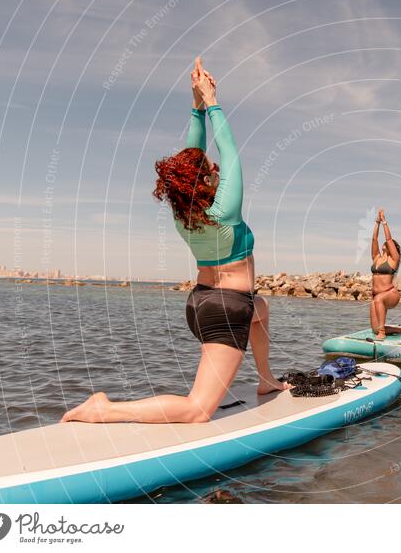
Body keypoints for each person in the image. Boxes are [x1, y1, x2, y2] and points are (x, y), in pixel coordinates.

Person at [62, 58, 288, 424]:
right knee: (197, 410)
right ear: (204, 181)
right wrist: (212, 100)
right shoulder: (223, 213)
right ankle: (104, 409)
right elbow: (229, 151)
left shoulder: (184, 214)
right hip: (227, 309)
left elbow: (191, 157)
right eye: (210, 171)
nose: (215, 170)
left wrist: (195, 107)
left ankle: (266, 380)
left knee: (260, 311)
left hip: (201, 302)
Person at [369, 209, 401, 340]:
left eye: (389, 244)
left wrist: (385, 222)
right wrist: (377, 223)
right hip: (376, 295)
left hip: (390, 294)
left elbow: (388, 238)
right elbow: (374, 238)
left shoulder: (394, 260)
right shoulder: (376, 257)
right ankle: (400, 329)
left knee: (379, 300)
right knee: (374, 329)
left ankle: (382, 332)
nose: (385, 243)